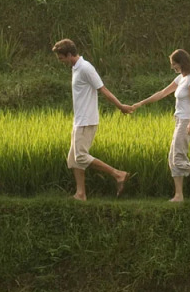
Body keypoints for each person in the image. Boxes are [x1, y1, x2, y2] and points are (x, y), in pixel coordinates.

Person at [132, 48, 190, 202]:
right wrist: (141, 103)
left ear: (181, 62)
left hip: (187, 121)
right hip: (179, 120)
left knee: (179, 159)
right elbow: (161, 93)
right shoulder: (181, 79)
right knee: (172, 158)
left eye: (174, 64)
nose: (172, 67)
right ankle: (178, 195)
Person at [51, 38, 131, 201]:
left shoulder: (86, 68)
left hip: (87, 120)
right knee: (73, 159)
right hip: (79, 119)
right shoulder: (75, 67)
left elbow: (104, 90)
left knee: (80, 156)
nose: (61, 61)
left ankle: (118, 174)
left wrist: (121, 106)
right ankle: (80, 194)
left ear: (69, 54)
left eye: (61, 58)